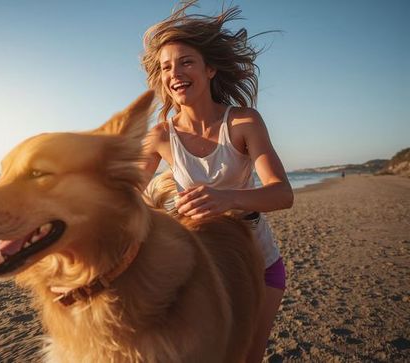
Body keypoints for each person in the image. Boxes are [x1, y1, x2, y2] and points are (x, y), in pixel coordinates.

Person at [139, 2, 294, 362]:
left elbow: (282, 193)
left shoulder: (243, 123)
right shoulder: (160, 136)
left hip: (259, 264)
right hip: (200, 268)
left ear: (209, 69)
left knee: (246, 356)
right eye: (165, 67)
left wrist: (228, 198)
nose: (174, 72)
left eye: (185, 61)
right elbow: (124, 196)